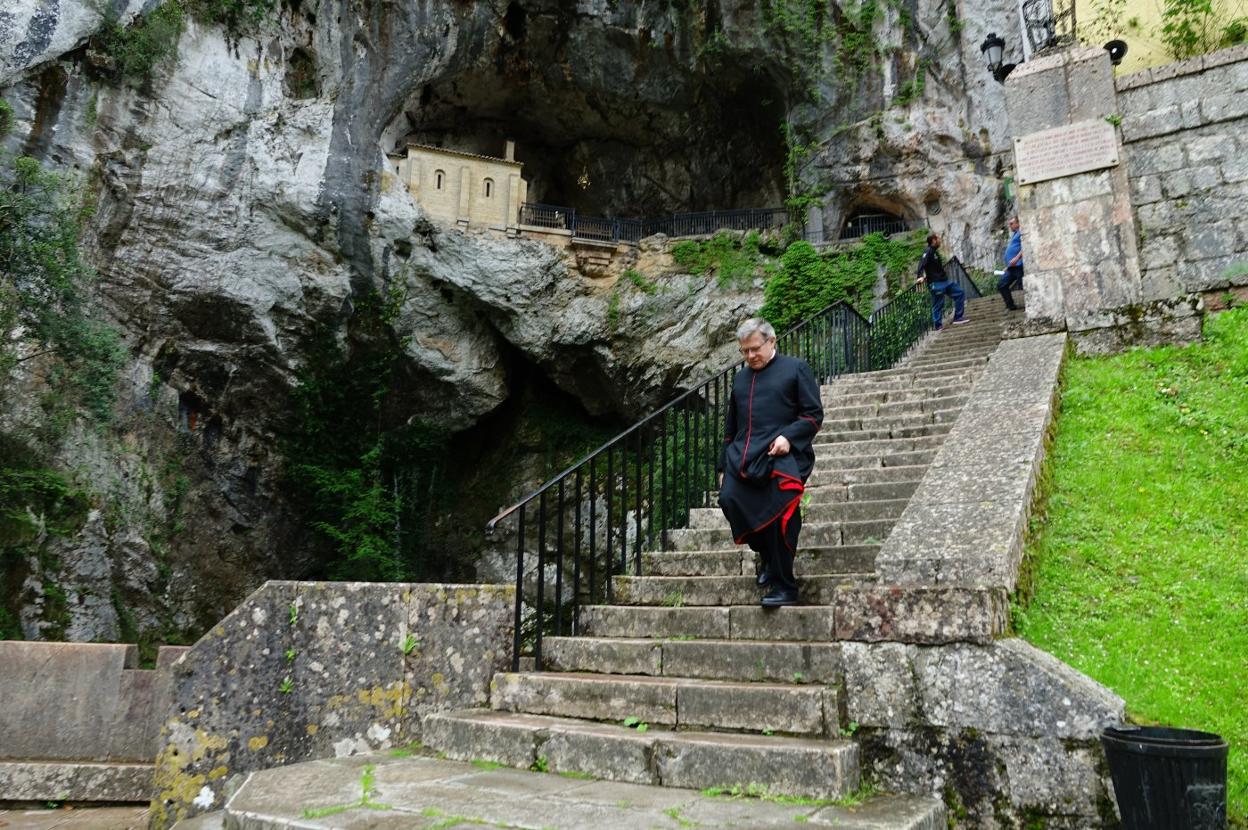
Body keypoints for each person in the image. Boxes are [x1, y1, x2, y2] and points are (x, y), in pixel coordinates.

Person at [716, 319, 824, 607]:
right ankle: (768, 557)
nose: (750, 356)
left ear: (772, 341)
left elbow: (813, 415)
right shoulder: (740, 379)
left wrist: (789, 437)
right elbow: (731, 428)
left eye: (755, 349)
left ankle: (785, 586)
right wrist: (722, 467)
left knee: (781, 515)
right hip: (742, 458)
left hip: (783, 456)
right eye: (744, 351)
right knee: (728, 500)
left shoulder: (795, 368)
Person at [915, 233, 968, 329]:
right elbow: (922, 263)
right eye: (938, 239)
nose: (940, 241)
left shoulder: (934, 252)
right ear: (934, 240)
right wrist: (920, 276)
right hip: (935, 283)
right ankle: (938, 325)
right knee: (938, 303)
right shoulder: (928, 251)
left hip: (944, 281)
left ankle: (958, 317)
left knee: (959, 292)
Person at [998, 216, 1024, 311]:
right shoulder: (1015, 234)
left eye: (1011, 223)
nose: (1010, 225)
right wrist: (1007, 266)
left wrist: (1017, 258)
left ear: (1018, 223)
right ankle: (1010, 306)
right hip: (1011, 267)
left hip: (1019, 265)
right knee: (1002, 285)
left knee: (1023, 285)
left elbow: (1025, 246)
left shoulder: (1022, 232)